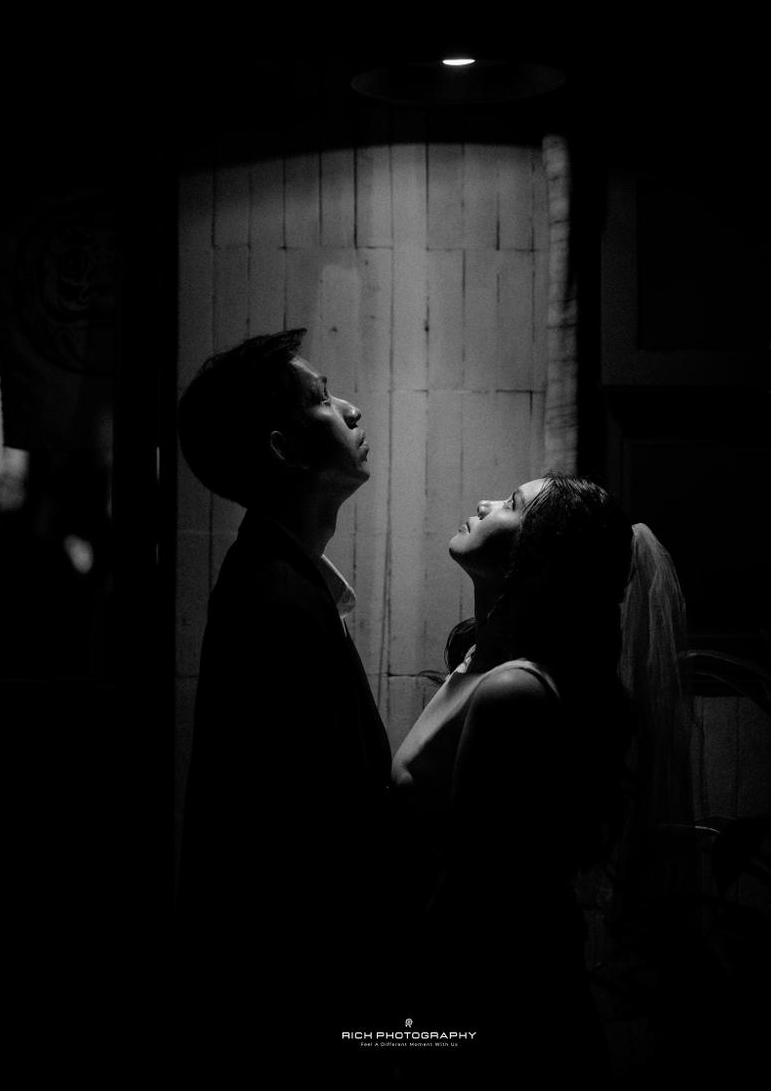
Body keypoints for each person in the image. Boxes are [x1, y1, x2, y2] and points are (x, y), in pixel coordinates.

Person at [391, 474, 690, 1085]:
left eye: (512, 505)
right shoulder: (482, 667)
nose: (484, 503)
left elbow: (471, 898)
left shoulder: (515, 691)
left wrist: (399, 1029)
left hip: (505, 1023)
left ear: (541, 560)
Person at [175, 329, 392, 1077]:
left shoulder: (279, 583)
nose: (351, 409)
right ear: (284, 448)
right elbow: (305, 847)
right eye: (323, 398)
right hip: (299, 1022)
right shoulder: (277, 604)